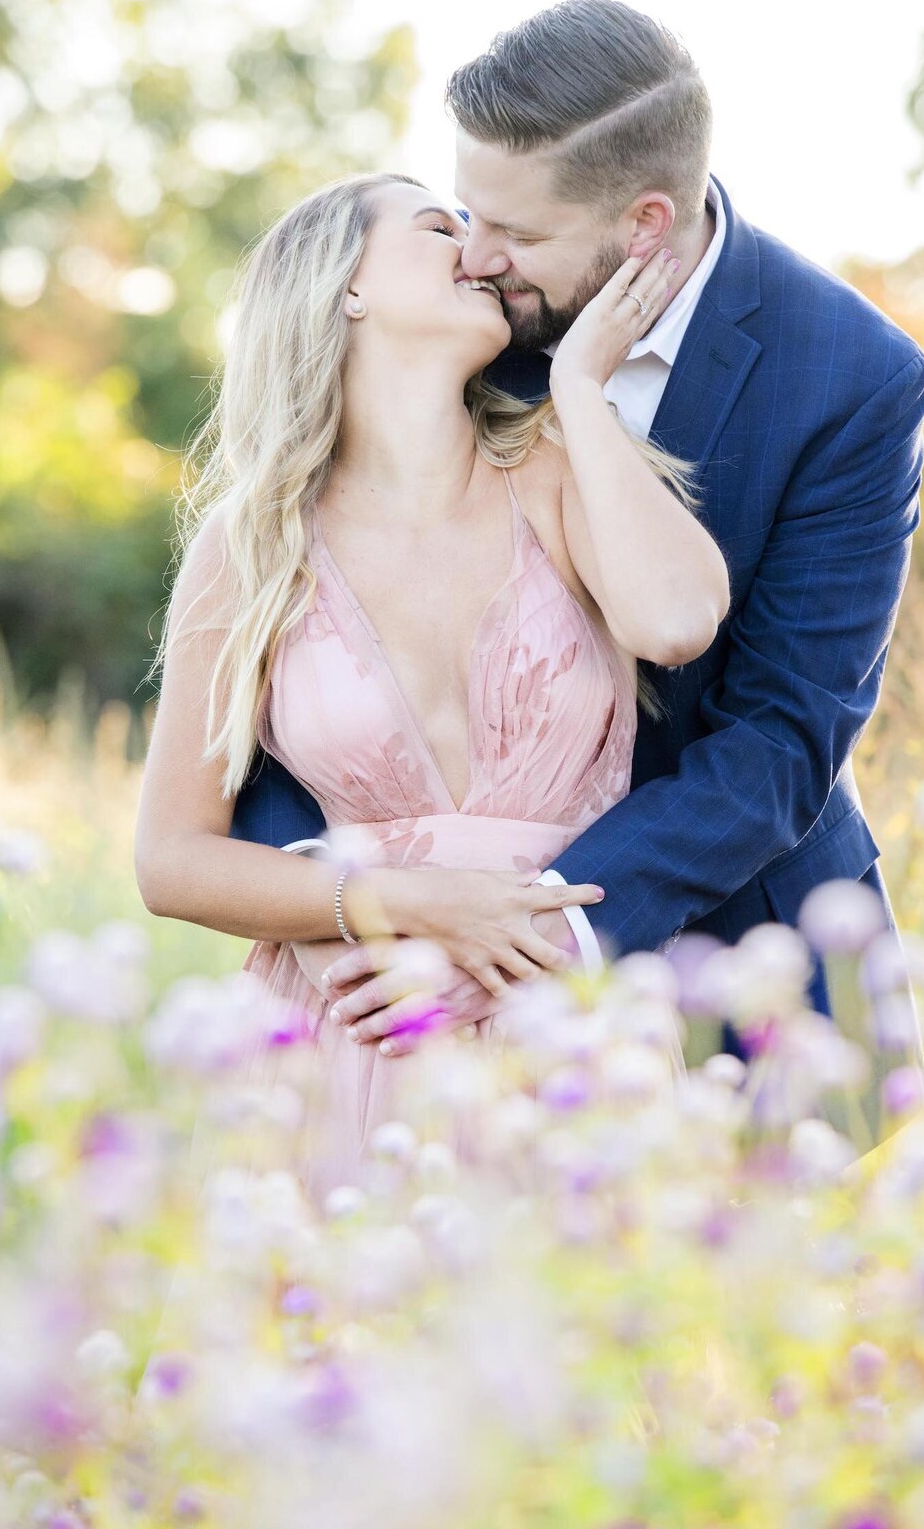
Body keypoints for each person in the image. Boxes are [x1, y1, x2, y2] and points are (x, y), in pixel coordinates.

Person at [231, 0, 924, 1148]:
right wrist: (346, 909)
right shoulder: (466, 322)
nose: (475, 253)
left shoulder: (853, 379)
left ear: (642, 224)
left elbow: (780, 739)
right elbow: (298, 643)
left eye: (510, 228)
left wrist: (534, 939)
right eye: (463, 214)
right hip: (399, 974)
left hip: (733, 941)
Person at [134, 170, 729, 1185]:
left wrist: (582, 387)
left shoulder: (555, 468)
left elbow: (674, 622)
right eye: (436, 225)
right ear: (346, 286)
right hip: (354, 1025)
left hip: (559, 1018)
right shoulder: (251, 548)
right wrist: (412, 901)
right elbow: (171, 860)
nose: (475, 249)